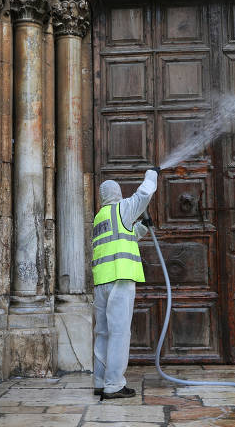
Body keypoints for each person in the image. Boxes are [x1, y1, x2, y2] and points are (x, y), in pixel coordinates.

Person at [91, 168, 159, 400]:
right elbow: (144, 194)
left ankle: (100, 382)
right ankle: (114, 385)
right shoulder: (122, 208)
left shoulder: (100, 217)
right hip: (120, 279)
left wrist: (142, 227)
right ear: (118, 193)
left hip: (101, 282)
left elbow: (122, 236)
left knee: (103, 333)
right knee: (119, 333)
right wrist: (152, 174)